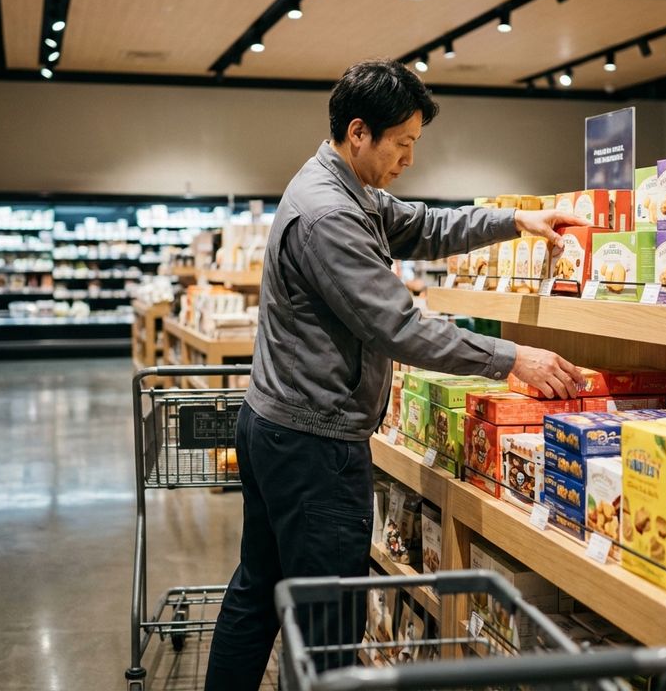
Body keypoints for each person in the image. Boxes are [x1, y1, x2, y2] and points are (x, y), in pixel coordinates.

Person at [204, 59, 586, 690]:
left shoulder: (343, 187)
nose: (410, 158)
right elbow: (399, 326)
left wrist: (513, 221)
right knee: (327, 621)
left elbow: (424, 225)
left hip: (277, 425)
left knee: (259, 590)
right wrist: (512, 359)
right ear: (360, 132)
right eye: (403, 143)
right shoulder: (330, 214)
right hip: (312, 442)